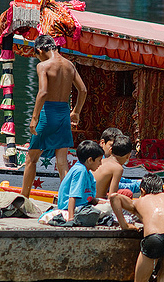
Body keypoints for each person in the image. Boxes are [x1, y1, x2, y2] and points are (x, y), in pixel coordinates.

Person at [21, 34, 87, 198]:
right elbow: (83, 90)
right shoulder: (69, 65)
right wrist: (76, 112)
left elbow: (43, 92)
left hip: (47, 113)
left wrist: (34, 117)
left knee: (31, 159)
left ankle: (23, 198)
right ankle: (66, 199)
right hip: (64, 113)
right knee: (62, 161)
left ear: (39, 50)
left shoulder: (44, 66)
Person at [57, 140, 107, 221]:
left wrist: (96, 201)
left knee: (107, 204)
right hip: (72, 209)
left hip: (82, 206)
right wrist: (71, 218)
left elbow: (87, 194)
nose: (100, 164)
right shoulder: (80, 171)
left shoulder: (86, 171)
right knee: (108, 209)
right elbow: (73, 196)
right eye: (99, 160)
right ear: (90, 160)